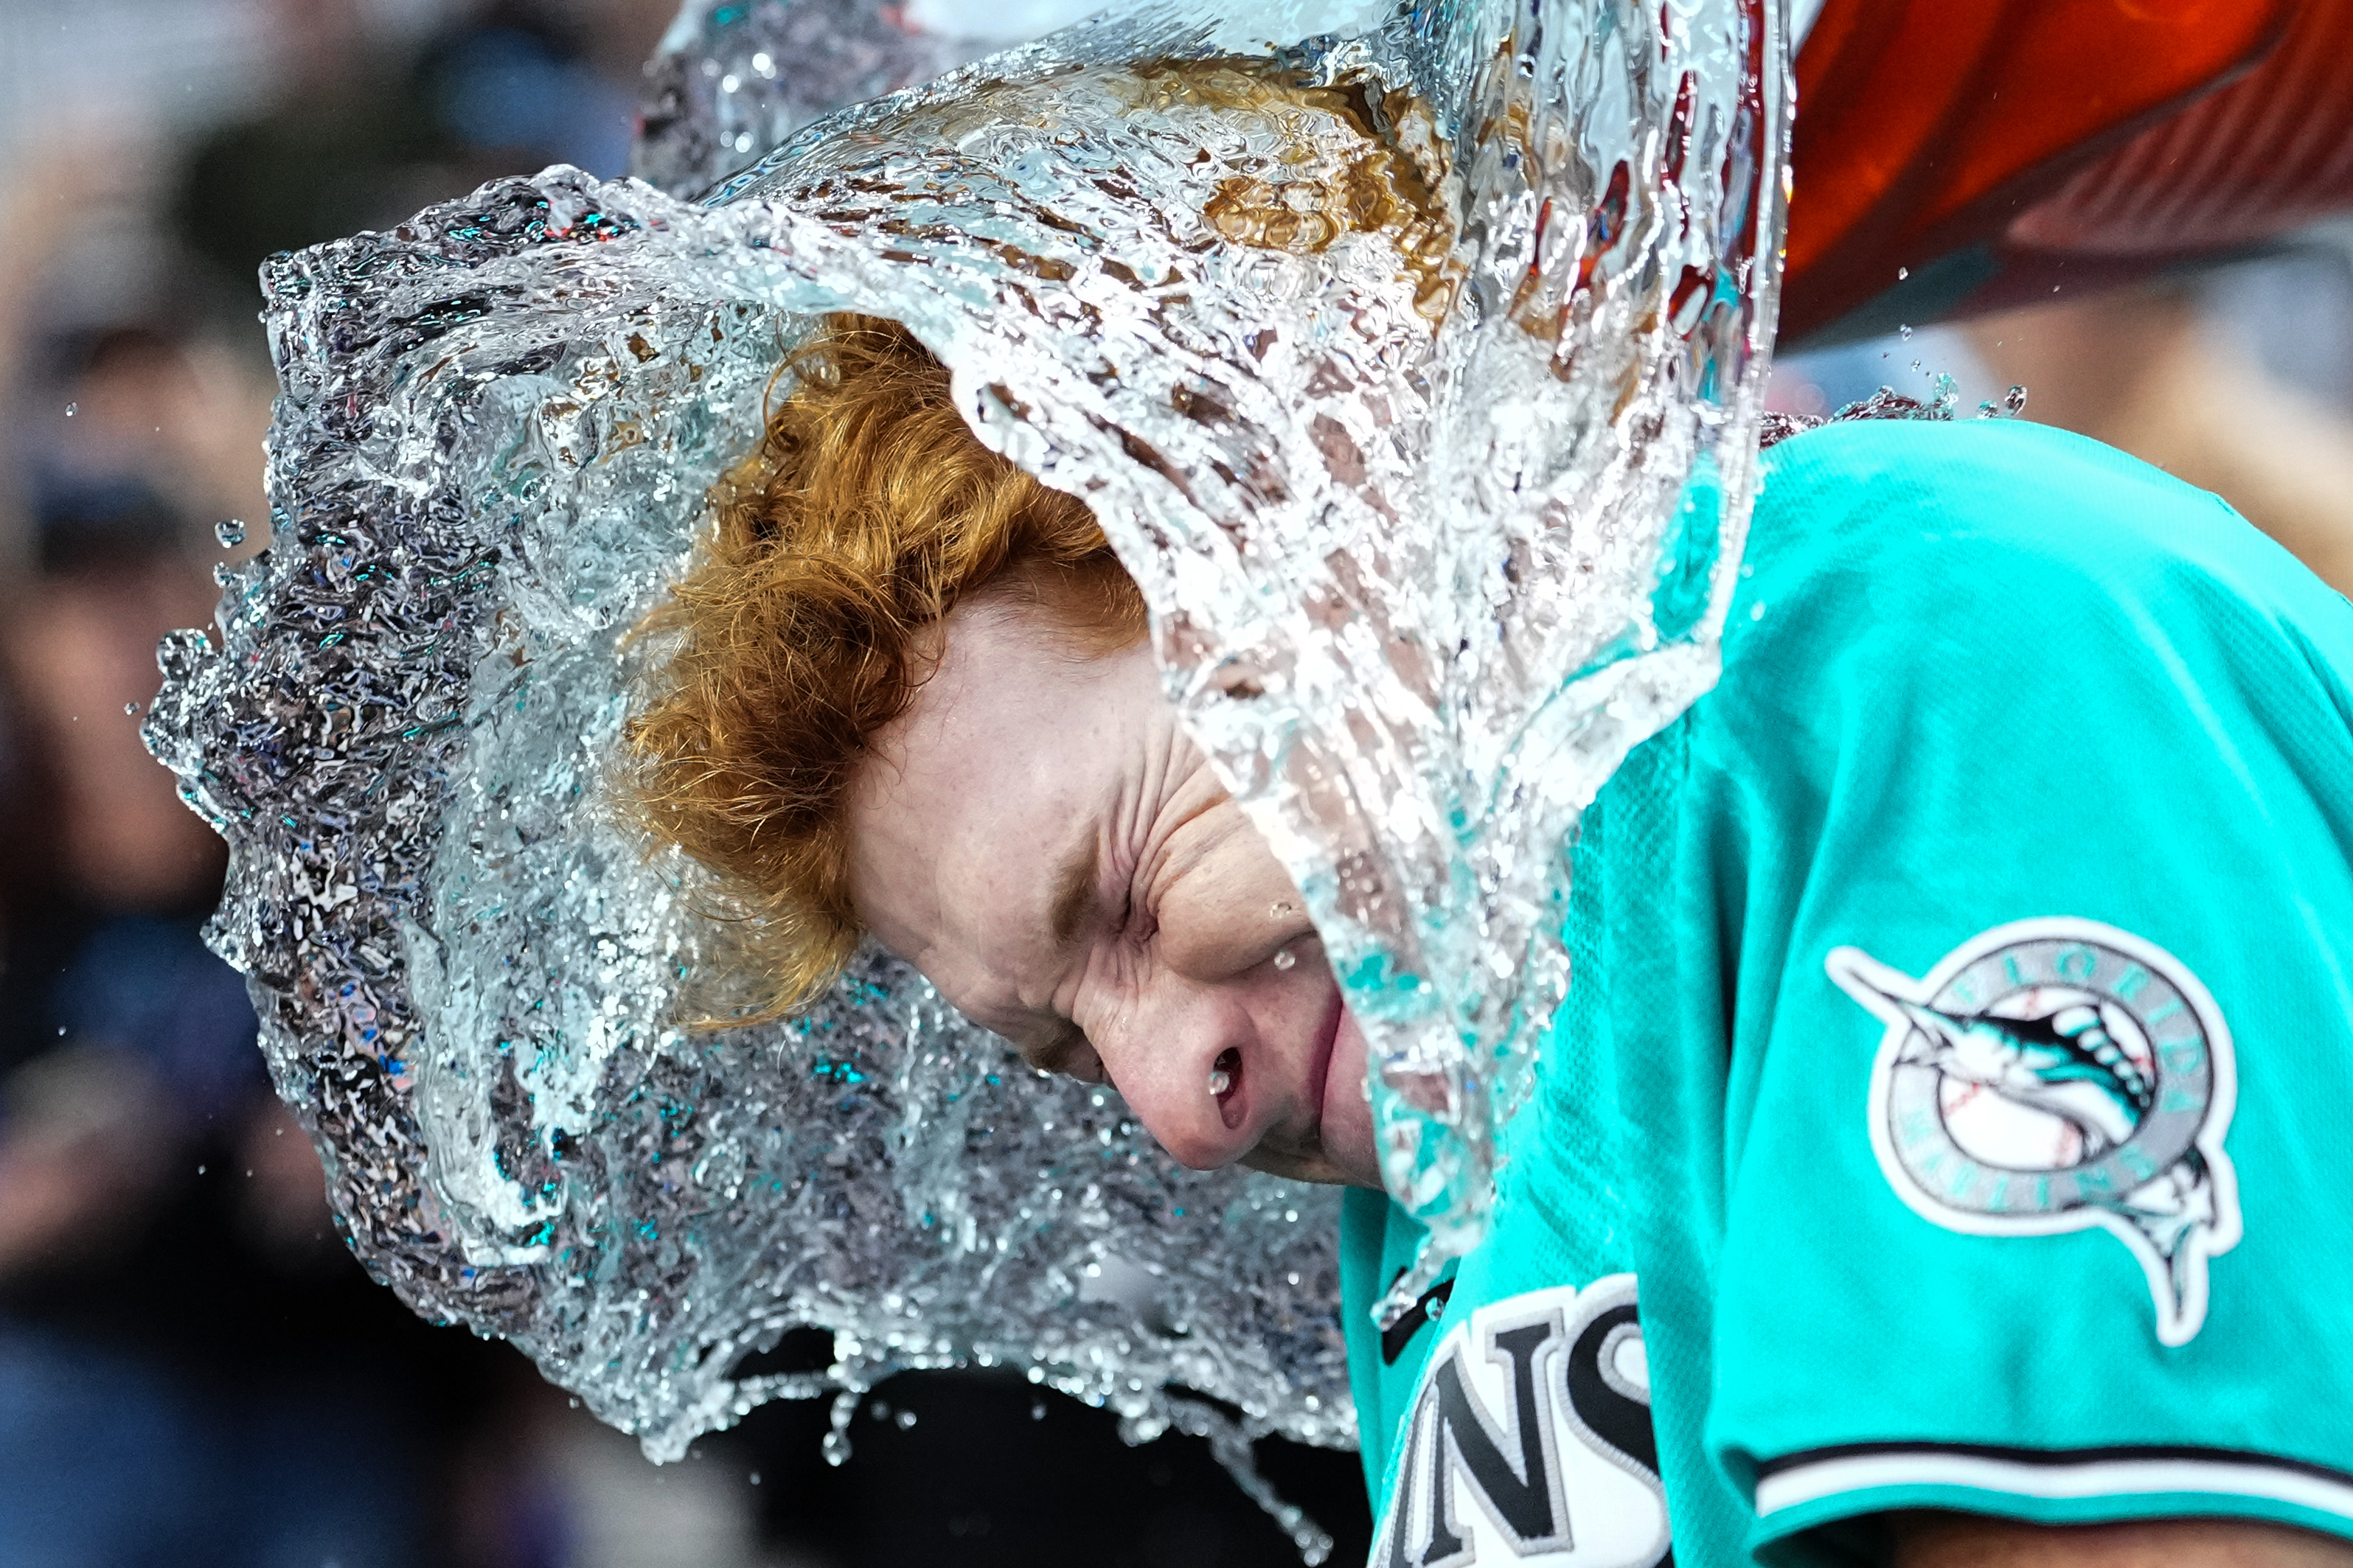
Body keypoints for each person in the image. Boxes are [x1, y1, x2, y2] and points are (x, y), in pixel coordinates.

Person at [625, 311, 2353, 1567]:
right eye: (1068, 1045)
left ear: (1314, 528)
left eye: (1132, 895)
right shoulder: (1447, 1138)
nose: (1172, 1103)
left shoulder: (1903, 648)